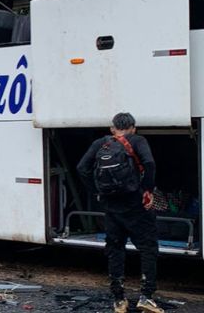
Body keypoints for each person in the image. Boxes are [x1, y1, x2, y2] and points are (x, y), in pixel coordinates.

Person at [77, 112, 162, 313]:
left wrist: (97, 192)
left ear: (112, 128)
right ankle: (146, 297)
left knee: (115, 249)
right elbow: (149, 164)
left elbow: (82, 168)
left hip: (111, 207)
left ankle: (119, 299)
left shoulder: (100, 143)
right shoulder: (138, 140)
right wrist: (147, 191)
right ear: (133, 128)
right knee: (148, 248)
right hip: (136, 205)